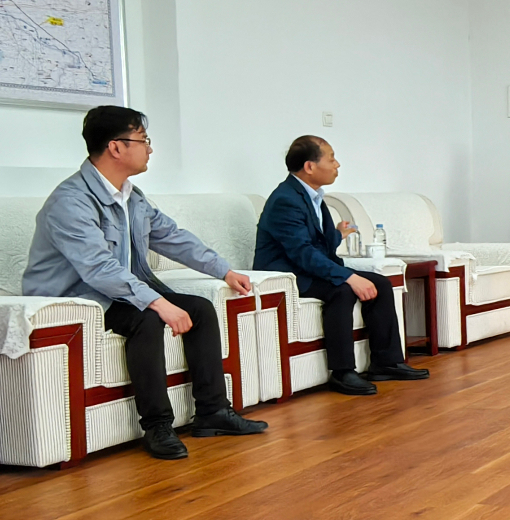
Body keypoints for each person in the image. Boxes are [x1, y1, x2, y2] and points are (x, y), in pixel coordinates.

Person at [23, 106, 268, 460]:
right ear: (116, 147)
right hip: (74, 301)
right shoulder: (71, 201)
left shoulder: (132, 197)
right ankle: (157, 426)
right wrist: (157, 301)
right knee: (147, 318)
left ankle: (212, 411)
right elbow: (99, 268)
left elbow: (173, 237)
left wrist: (224, 270)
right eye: (143, 140)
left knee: (199, 309)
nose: (150, 148)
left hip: (114, 293)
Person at [254, 136, 428, 394]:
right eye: (331, 158)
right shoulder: (285, 200)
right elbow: (302, 253)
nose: (337, 165)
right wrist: (348, 276)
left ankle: (386, 363)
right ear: (310, 166)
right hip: (288, 275)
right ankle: (343, 372)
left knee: (379, 283)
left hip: (307, 268)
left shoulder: (313, 196)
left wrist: (337, 234)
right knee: (342, 289)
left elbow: (316, 244)